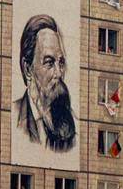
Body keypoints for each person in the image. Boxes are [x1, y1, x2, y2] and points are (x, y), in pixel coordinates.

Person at [12, 15, 77, 153]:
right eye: (49, 62)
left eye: (61, 63)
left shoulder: (73, 123)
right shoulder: (13, 115)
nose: (59, 73)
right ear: (27, 69)